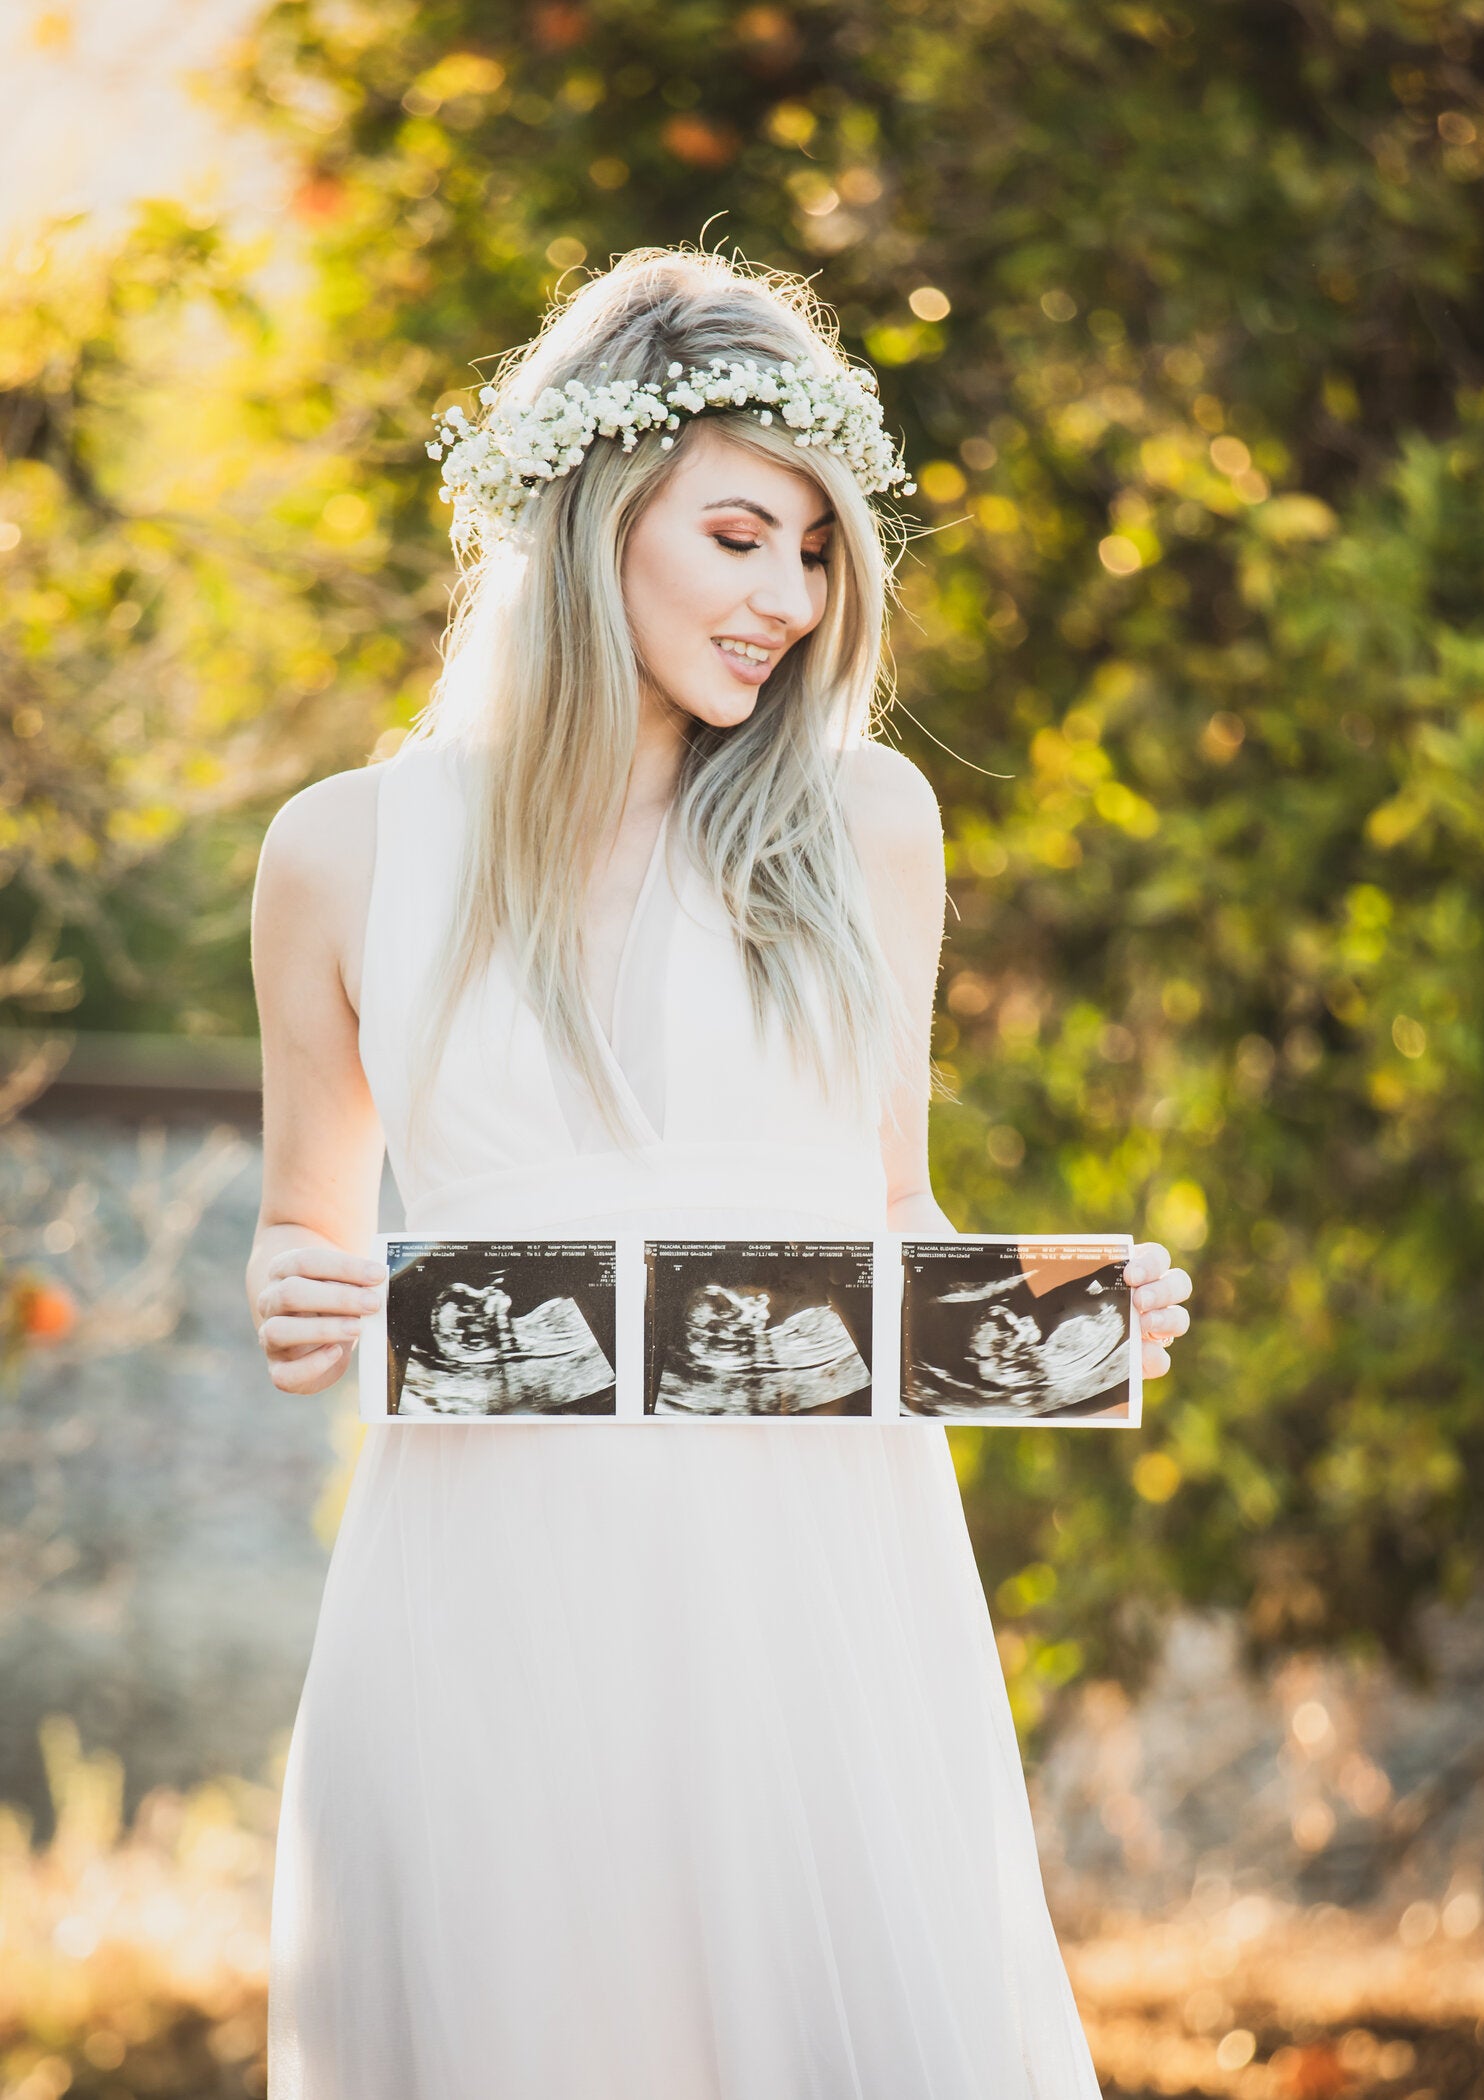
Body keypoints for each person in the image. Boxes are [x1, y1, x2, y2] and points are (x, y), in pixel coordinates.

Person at [247, 244, 1192, 2100]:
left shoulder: (864, 823)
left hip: (822, 1596)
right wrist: (296, 1292)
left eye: (822, 552)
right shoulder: (342, 855)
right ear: (595, 514)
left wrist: (1047, 1314)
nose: (790, 598)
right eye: (742, 535)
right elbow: (310, 1231)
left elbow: (891, 1220)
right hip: (490, 1601)